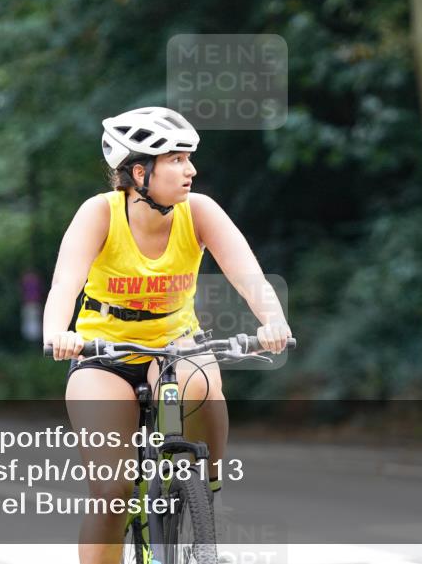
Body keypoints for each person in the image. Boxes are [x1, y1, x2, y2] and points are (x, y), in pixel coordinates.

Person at [43, 106, 292, 564]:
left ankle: (201, 489)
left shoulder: (199, 212)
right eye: (176, 159)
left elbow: (249, 274)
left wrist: (273, 322)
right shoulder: (99, 214)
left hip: (177, 345)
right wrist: (58, 332)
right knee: (112, 492)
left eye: (188, 158)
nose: (190, 169)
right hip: (104, 353)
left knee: (204, 382)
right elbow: (65, 284)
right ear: (140, 171)